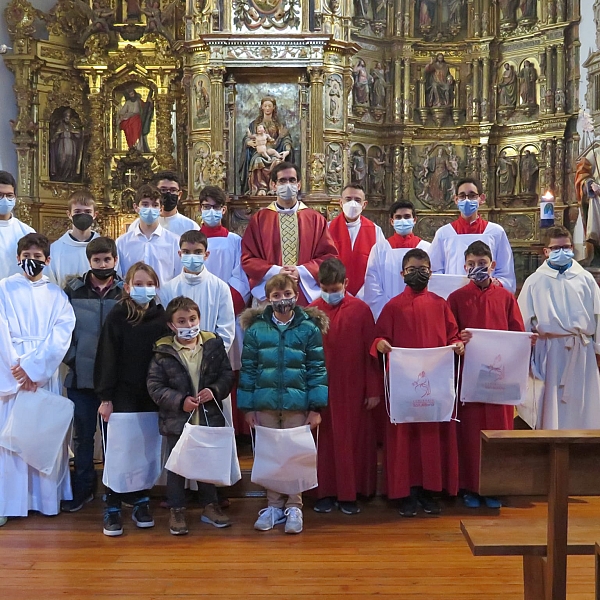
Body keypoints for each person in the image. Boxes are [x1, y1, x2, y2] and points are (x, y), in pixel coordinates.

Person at [373, 248, 464, 516]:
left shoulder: (440, 303)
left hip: (434, 383)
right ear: (402, 274)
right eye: (412, 270)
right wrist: (380, 344)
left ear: (431, 272)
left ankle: (429, 490)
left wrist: (457, 346)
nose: (418, 274)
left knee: (431, 437)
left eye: (423, 269)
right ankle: (405, 492)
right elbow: (378, 338)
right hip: (403, 383)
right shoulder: (392, 306)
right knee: (404, 439)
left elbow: (453, 336)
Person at [238, 274, 328, 534]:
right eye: (275, 296)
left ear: (296, 295)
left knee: (293, 454)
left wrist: (315, 407)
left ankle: (294, 506)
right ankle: (273, 505)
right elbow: (249, 370)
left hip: (296, 403)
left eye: (286, 294)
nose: (282, 300)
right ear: (267, 299)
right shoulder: (256, 329)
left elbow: (317, 368)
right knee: (270, 455)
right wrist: (248, 407)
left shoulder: (308, 328)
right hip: (265, 403)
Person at [0, 233, 76, 526]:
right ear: (18, 258)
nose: (32, 261)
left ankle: (44, 501)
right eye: (27, 255)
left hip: (41, 373)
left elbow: (61, 334)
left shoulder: (57, 295)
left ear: (48, 260)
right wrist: (16, 367)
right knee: (9, 438)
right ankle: (8, 501)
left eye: (38, 256)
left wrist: (35, 369)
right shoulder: (4, 289)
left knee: (42, 434)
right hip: (10, 370)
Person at [447, 241, 527, 509]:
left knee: (498, 431)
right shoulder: (456, 298)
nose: (476, 268)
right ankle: (469, 486)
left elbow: (517, 332)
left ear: (492, 265)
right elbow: (449, 333)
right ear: (464, 266)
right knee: (469, 434)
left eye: (482, 264)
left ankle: (495, 486)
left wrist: (528, 342)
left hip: (499, 378)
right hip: (468, 377)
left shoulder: (506, 297)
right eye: (471, 264)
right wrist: (460, 339)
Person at [147, 296, 234, 535]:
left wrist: (214, 390)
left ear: (199, 319)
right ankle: (176, 508)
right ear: (172, 326)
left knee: (206, 461)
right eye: (182, 321)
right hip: (178, 419)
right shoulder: (163, 350)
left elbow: (226, 375)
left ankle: (210, 505)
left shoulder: (213, 344)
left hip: (207, 415)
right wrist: (179, 401)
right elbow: (155, 386)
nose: (189, 325)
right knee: (177, 465)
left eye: (192, 319)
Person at [94, 262, 168, 536]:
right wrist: (105, 396)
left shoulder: (162, 318)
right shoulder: (118, 315)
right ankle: (112, 504)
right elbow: (107, 356)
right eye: (139, 283)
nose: (144, 288)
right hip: (122, 394)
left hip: (152, 395)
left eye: (150, 284)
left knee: (146, 452)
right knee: (120, 451)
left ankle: (141, 500)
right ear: (127, 287)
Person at [309, 259, 381, 515]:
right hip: (322, 388)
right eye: (325, 289)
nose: (330, 294)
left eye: (335, 288)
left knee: (353, 441)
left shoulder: (361, 311)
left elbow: (371, 353)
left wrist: (373, 389)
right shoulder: (311, 312)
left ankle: (352, 493)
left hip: (354, 387)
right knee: (324, 443)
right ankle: (324, 492)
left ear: (346, 284)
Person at [61, 236, 123, 513]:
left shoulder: (126, 291)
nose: (102, 264)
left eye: (106, 259)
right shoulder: (73, 290)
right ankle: (83, 489)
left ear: (115, 260)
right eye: (96, 260)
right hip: (81, 378)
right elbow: (62, 331)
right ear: (89, 262)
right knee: (83, 437)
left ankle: (115, 491)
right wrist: (73, 358)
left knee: (116, 438)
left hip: (115, 381)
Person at [518, 226, 600, 430]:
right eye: (556, 248)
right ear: (546, 251)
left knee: (583, 406)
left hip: (582, 351)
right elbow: (522, 322)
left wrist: (598, 349)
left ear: (573, 248)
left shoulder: (585, 279)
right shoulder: (534, 281)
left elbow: (598, 315)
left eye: (566, 247)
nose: (562, 251)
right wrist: (525, 355)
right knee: (550, 407)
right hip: (549, 352)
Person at [241, 161, 338, 306]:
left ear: (298, 185)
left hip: (305, 294)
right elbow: (248, 259)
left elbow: (329, 257)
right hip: (270, 292)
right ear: (273, 185)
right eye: (282, 180)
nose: (288, 184)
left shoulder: (315, 218)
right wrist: (277, 271)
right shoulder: (260, 219)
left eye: (292, 180)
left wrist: (301, 272)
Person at [428, 177, 516, 292]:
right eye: (462, 196)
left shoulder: (496, 232)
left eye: (472, 195)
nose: (467, 200)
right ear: (456, 199)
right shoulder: (444, 233)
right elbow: (434, 271)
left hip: (486, 294)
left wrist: (496, 282)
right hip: (453, 296)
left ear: (481, 198)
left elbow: (505, 271)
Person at [161, 231, 235, 354]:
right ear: (180, 254)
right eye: (186, 252)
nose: (192, 257)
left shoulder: (220, 287)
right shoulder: (168, 289)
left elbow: (226, 329)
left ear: (206, 255)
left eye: (198, 252)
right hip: (178, 357)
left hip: (211, 357)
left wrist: (213, 357)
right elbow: (166, 327)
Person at [363, 200, 431, 320]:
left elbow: (432, 281)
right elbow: (372, 284)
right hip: (388, 312)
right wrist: (387, 310)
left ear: (414, 220)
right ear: (392, 221)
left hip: (420, 311)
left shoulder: (427, 248)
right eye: (398, 217)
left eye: (407, 216)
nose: (403, 221)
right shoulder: (380, 249)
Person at [116, 184, 181, 287]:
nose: (150, 209)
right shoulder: (122, 242)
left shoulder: (174, 241)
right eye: (145, 205)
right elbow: (119, 277)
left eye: (155, 205)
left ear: (161, 209)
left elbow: (179, 277)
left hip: (164, 300)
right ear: (136, 207)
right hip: (132, 299)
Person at [327, 184, 384, 298]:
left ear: (364, 204)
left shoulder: (375, 230)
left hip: (366, 295)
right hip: (334, 293)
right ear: (341, 202)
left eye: (357, 200)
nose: (352, 203)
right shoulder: (327, 229)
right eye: (348, 199)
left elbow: (380, 265)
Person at [45, 189, 100, 288]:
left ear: (95, 215)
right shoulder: (55, 249)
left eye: (87, 211)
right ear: (69, 214)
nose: (83, 215)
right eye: (77, 211)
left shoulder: (105, 248)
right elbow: (50, 284)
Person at [129, 172, 200, 237]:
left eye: (173, 190)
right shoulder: (137, 226)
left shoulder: (191, 227)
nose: (168, 194)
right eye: (163, 190)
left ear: (179, 195)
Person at [0, 170, 35, 280]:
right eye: (0, 195)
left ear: (15, 197)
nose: (5, 199)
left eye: (9, 195)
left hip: (15, 292)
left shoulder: (26, 232)